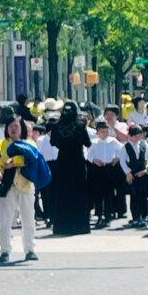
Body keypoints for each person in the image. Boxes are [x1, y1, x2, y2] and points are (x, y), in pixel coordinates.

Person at [0, 116, 37, 263]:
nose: (13, 129)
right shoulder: (1, 144)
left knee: (28, 219)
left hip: (25, 185)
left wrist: (13, 162)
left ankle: (30, 249)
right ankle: (5, 251)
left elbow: (31, 159)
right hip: (7, 186)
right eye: (10, 126)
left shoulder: (30, 143)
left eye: (16, 126)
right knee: (5, 221)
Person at [49, 101, 92, 236]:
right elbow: (88, 143)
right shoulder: (80, 125)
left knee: (63, 193)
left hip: (62, 162)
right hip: (77, 162)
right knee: (79, 192)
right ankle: (80, 226)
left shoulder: (57, 126)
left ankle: (62, 226)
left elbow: (52, 142)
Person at [87, 120, 122, 228]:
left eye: (106, 131)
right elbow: (87, 154)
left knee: (109, 193)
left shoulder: (113, 141)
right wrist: (94, 160)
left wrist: (117, 157)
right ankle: (99, 216)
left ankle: (108, 216)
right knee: (98, 194)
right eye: (102, 131)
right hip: (98, 169)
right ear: (97, 132)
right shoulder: (93, 142)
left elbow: (121, 150)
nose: (104, 133)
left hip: (109, 167)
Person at [119, 125, 148, 227]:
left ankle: (144, 217)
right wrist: (127, 172)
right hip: (132, 173)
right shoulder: (125, 146)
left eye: (139, 136)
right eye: (135, 136)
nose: (137, 138)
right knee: (134, 196)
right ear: (129, 136)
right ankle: (135, 218)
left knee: (144, 195)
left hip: (143, 172)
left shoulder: (144, 144)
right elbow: (122, 161)